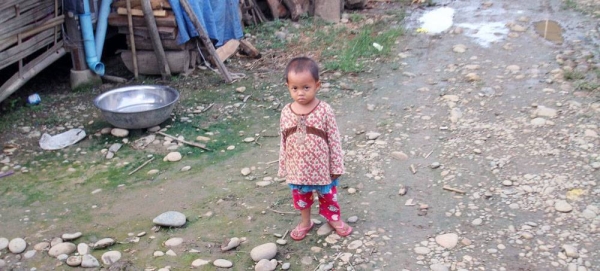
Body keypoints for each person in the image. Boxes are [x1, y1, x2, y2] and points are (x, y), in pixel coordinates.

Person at [278, 56, 353, 241]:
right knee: (302, 197)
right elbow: (283, 141)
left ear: (317, 85)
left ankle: (334, 219)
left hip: (322, 169)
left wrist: (336, 166)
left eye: (306, 87)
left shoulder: (324, 110)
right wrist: (283, 166)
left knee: (328, 195)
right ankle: (305, 222)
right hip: (298, 169)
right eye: (294, 88)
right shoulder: (286, 112)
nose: (300, 93)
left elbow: (334, 140)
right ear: (287, 85)